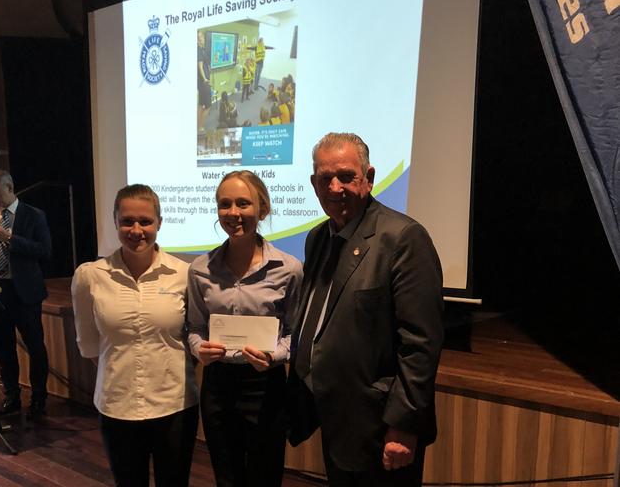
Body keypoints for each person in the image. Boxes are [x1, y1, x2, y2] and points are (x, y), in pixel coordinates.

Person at [288, 133, 444, 486]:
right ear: (314, 184)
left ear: (369, 177)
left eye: (346, 176)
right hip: (335, 418)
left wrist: (403, 424)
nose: (335, 187)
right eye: (325, 178)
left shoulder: (402, 238)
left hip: (379, 425)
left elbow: (421, 343)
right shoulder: (317, 238)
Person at [71, 184, 199, 486]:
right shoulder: (90, 276)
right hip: (117, 405)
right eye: (127, 221)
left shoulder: (185, 274)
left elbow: (193, 340)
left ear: (159, 223)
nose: (136, 229)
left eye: (145, 221)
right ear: (115, 222)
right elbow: (90, 346)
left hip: (175, 404)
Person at [187, 171, 302, 487]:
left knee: (266, 477)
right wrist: (200, 348)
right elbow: (195, 328)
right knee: (227, 476)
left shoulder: (289, 269)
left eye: (243, 203)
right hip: (218, 385)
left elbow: (295, 333)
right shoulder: (199, 270)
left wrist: (274, 355)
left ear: (262, 209)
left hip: (266, 387)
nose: (233, 213)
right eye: (225, 204)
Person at [0, 169, 51, 419]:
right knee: (4, 348)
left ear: (9, 187)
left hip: (24, 292)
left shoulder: (34, 215)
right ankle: (12, 396)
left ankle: (38, 398)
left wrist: (11, 238)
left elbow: (44, 251)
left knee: (35, 346)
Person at [198, 30, 212, 132]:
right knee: (207, 106)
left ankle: (198, 125)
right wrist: (205, 79)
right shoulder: (198, 50)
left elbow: (206, 65)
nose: (200, 39)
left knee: (202, 105)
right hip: (203, 83)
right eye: (198, 38)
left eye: (201, 37)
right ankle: (200, 127)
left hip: (204, 82)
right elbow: (200, 67)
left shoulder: (203, 49)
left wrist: (209, 69)